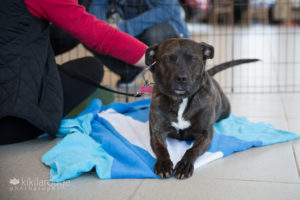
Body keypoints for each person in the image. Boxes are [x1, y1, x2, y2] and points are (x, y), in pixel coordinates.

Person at [0, 0, 148, 145]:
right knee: (91, 68)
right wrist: (153, 57)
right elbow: (100, 34)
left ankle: (131, 73)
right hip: (12, 118)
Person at [87, 0, 191, 87]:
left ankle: (171, 76)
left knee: (153, 35)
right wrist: (102, 26)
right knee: (91, 34)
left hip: (164, 28)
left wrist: (123, 27)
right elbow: (98, 3)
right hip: (130, 28)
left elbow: (166, 10)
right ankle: (130, 71)